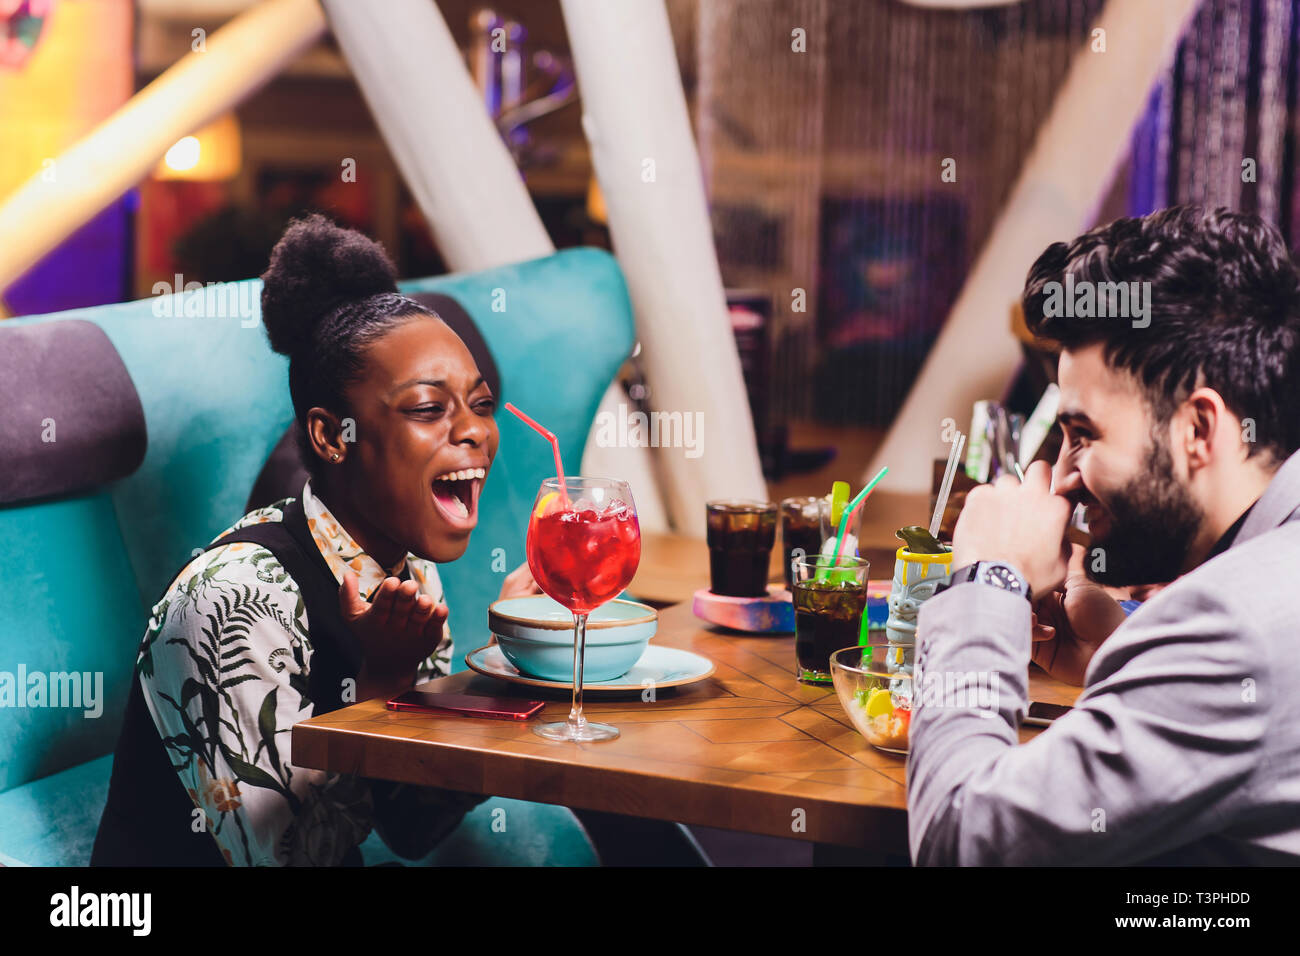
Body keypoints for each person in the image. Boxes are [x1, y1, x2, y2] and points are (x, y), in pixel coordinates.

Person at [91, 214, 541, 865]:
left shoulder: (407, 573)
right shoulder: (233, 600)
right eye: (426, 407)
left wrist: (507, 662)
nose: (474, 432)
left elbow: (413, 823)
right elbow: (293, 856)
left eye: (481, 403)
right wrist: (386, 680)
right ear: (332, 436)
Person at [907, 205, 1300, 865]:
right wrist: (1119, 659)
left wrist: (986, 583)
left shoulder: (1233, 627)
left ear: (1199, 429)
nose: (1060, 477)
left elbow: (956, 839)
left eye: (1082, 434)